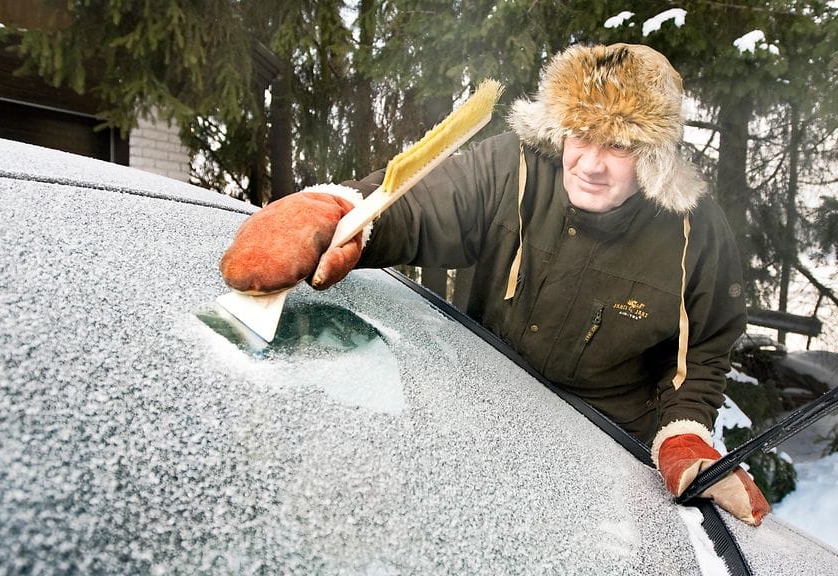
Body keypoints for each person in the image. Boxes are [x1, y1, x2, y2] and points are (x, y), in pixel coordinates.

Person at [219, 43, 770, 525]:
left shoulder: (697, 232)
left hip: (600, 459)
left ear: (653, 155)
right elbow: (421, 202)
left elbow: (704, 349)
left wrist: (684, 434)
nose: (591, 164)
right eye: (581, 135)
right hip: (481, 419)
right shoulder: (516, 167)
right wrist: (336, 213)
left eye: (618, 146)